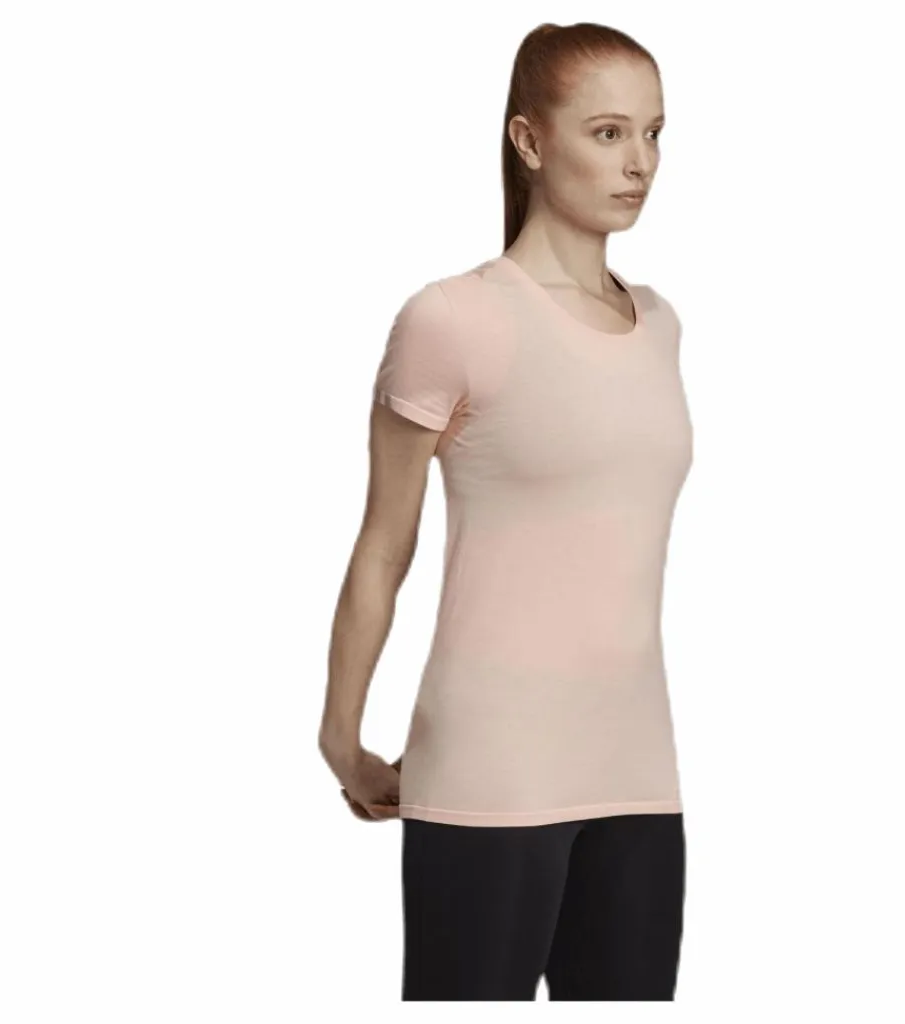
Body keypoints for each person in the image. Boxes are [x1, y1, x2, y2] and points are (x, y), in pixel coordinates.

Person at [318, 21, 693, 1001]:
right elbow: (383, 544)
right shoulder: (454, 319)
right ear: (529, 140)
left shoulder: (660, 324)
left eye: (654, 133)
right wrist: (342, 739)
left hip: (639, 775)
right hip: (491, 773)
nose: (641, 162)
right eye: (608, 132)